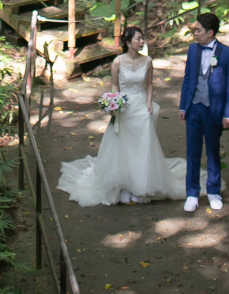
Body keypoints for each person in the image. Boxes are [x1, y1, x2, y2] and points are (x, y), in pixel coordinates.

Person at [58, 25, 187, 206]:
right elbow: (115, 85)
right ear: (128, 42)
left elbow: (149, 84)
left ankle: (141, 185)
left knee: (142, 144)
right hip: (125, 105)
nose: (141, 42)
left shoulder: (148, 61)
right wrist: (115, 103)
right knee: (123, 144)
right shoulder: (118, 62)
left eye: (142, 39)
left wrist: (149, 102)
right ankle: (123, 184)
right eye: (138, 39)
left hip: (141, 104)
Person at [178, 12, 229, 213]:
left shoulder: (228, 54)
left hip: (214, 110)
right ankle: (192, 194)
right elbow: (187, 79)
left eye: (198, 30)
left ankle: (213, 191)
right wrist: (183, 106)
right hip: (194, 107)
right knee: (192, 152)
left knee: (212, 152)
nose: (195, 34)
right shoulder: (193, 50)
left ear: (210, 32)